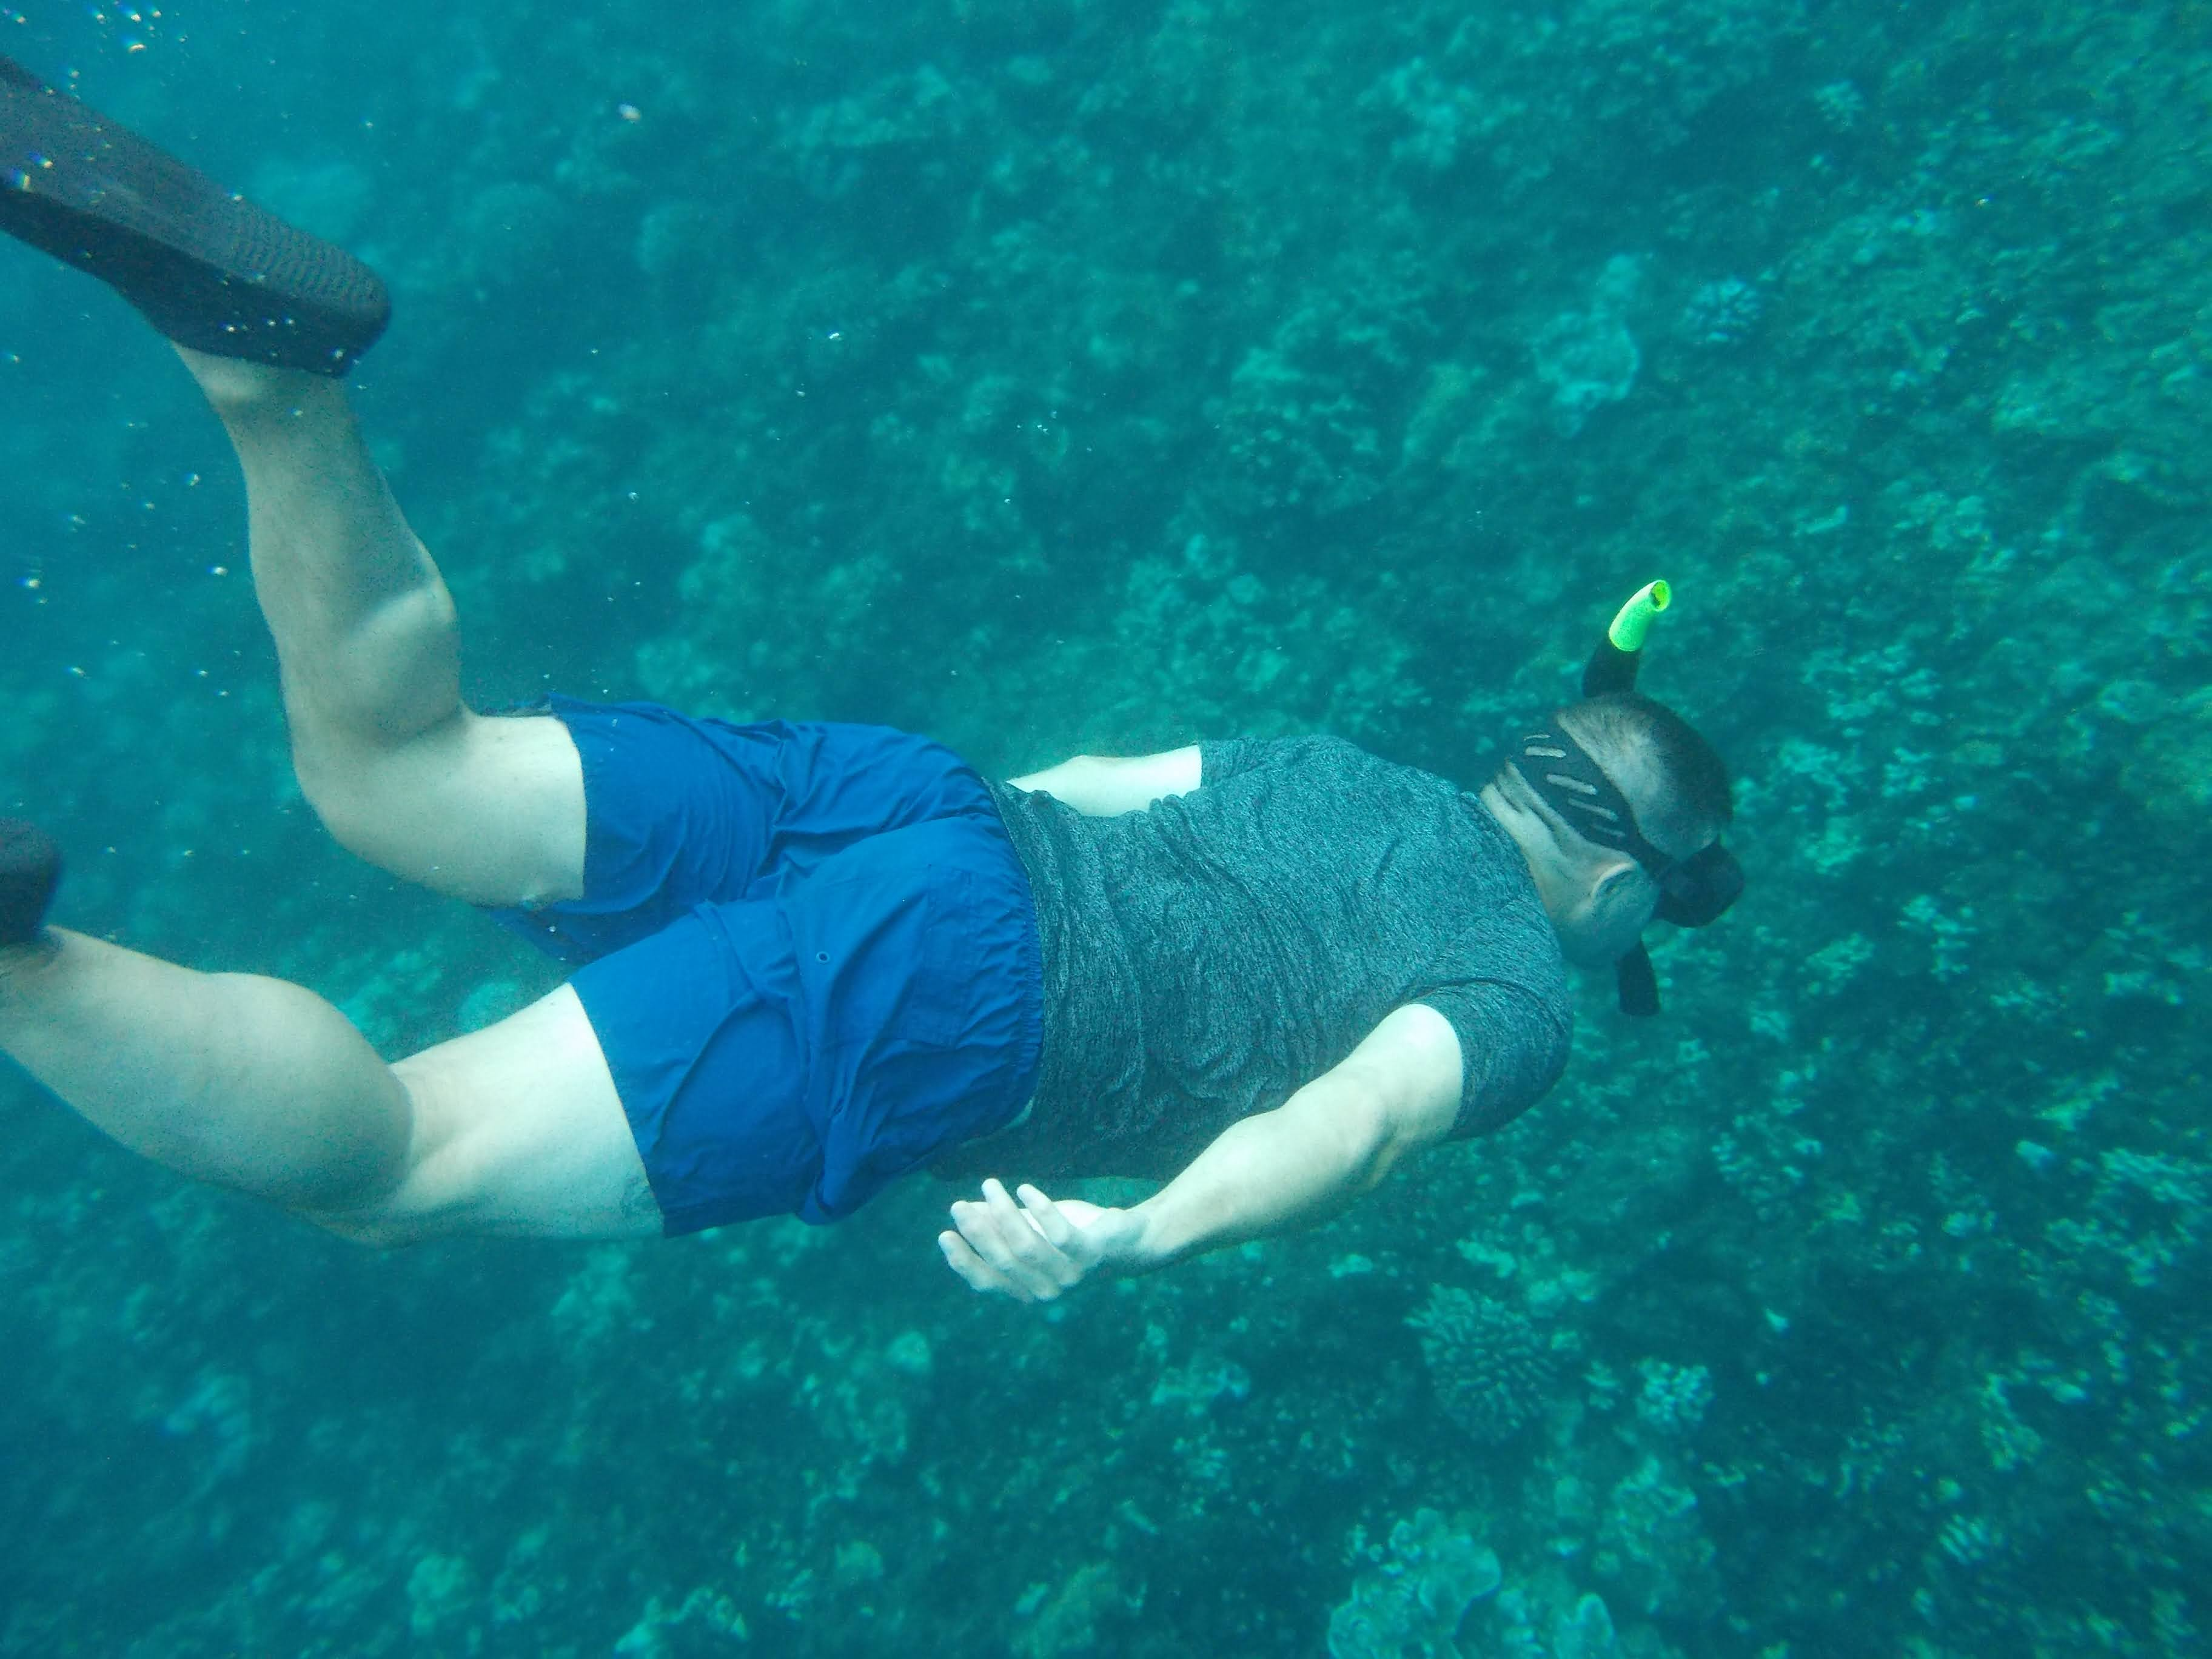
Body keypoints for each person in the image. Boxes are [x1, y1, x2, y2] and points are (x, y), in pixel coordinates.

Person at [0, 59, 1740, 1303]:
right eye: (1658, 916)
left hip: (918, 810)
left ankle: (272, 374)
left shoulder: (1342, 766)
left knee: (395, 772)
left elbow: (1090, 771)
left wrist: (884, 901)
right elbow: (1361, 1123)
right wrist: (1134, 1236)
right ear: (1616, 879)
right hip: (969, 998)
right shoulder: (1519, 988)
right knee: (397, 1166)